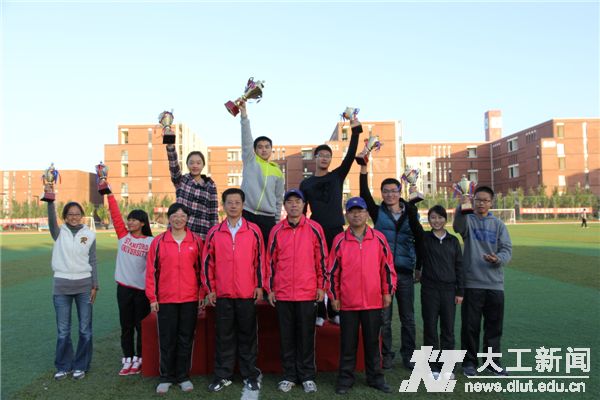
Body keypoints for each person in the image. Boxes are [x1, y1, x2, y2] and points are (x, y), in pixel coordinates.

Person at [359, 162, 424, 370]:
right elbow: (364, 193)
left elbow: (419, 239)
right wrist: (363, 170)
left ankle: (409, 355)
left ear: (400, 192)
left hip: (404, 272)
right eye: (385, 191)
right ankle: (386, 354)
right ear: (382, 194)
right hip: (383, 273)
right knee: (384, 319)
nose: (390, 195)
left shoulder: (411, 211)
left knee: (408, 318)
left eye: (393, 191)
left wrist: (418, 267)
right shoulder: (377, 212)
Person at [328, 197, 396, 395]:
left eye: (360, 211)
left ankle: (375, 378)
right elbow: (332, 272)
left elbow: (387, 268)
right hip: (348, 302)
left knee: (373, 343)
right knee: (348, 344)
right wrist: (334, 296)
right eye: (352, 211)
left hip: (373, 301)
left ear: (367, 214)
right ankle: (345, 379)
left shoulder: (379, 238)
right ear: (346, 215)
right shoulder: (339, 240)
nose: (356, 215)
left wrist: (387, 292)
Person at [300, 118, 362, 326]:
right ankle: (320, 311)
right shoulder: (306, 183)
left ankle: (335, 310)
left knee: (337, 270)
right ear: (315, 158)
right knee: (316, 270)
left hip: (335, 229)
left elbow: (351, 155)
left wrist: (355, 131)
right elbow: (301, 210)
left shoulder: (337, 176)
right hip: (315, 231)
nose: (325, 158)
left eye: (328, 156)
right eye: (321, 155)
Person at [203, 188, 265, 394]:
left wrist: (259, 285)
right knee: (224, 337)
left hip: (247, 294)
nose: (233, 206)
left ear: (243, 205)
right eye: (229, 202)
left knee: (248, 336)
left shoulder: (253, 230)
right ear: (223, 205)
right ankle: (223, 375)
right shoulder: (215, 232)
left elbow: (260, 260)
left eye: (237, 202)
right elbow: (208, 263)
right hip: (223, 294)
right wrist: (210, 288)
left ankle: (250, 375)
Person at [265, 189, 328, 393]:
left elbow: (322, 260)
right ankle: (289, 376)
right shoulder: (276, 231)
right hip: (283, 293)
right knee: (287, 337)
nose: (293, 205)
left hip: (307, 292)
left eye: (297, 201)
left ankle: (307, 376)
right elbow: (269, 262)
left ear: (303, 205)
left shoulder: (315, 229)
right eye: (289, 201)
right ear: (284, 206)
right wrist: (270, 289)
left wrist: (321, 286)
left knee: (306, 336)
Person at [453, 186, 512, 377]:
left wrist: (498, 259)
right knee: (470, 326)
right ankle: (469, 363)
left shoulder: (498, 225)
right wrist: (461, 205)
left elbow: (507, 249)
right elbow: (457, 227)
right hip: (472, 282)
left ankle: (491, 363)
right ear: (473, 200)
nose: (481, 203)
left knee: (494, 327)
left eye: (485, 200)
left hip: (495, 284)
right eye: (478, 200)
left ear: (491, 203)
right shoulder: (468, 220)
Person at [145, 203, 204, 394]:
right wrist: (153, 297)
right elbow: (151, 271)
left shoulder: (196, 241)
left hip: (189, 299)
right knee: (167, 339)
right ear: (169, 219)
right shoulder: (159, 242)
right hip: (166, 299)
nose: (179, 219)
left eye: (182, 216)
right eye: (175, 216)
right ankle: (166, 377)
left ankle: (183, 376)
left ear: (187, 219)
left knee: (186, 339)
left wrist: (201, 294)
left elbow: (202, 271)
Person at [47, 199, 97, 381]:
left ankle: (81, 365)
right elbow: (51, 220)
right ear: (65, 216)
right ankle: (63, 366)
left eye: (77, 214)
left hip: (84, 286)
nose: (74, 217)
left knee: (85, 330)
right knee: (63, 331)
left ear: (81, 215)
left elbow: (92, 260)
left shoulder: (89, 234)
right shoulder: (59, 232)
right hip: (61, 287)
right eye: (70, 214)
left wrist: (95, 285)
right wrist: (50, 201)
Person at [104, 190, 153, 376]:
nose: (130, 222)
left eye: (134, 220)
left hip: (142, 292)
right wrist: (109, 194)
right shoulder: (123, 237)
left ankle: (140, 358)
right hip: (124, 289)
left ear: (143, 223)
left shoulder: (151, 242)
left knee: (141, 326)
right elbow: (115, 215)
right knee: (126, 326)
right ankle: (128, 358)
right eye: (129, 219)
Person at [421, 205, 463, 380]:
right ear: (428, 220)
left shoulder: (453, 241)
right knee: (430, 329)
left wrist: (460, 292)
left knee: (448, 330)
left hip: (449, 291)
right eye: (433, 217)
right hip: (429, 290)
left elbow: (459, 267)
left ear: (445, 219)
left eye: (440, 217)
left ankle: (448, 367)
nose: (436, 221)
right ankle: (433, 367)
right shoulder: (424, 238)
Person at [238, 101, 284, 241]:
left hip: (268, 219)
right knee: (247, 249)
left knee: (266, 251)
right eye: (260, 147)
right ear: (255, 149)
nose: (264, 149)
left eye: (267, 147)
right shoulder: (250, 160)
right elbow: (246, 138)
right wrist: (244, 115)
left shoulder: (277, 171)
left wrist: (276, 221)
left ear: (271, 149)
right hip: (247, 213)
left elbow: (278, 198)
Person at [166, 144, 218, 240]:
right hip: (179, 230)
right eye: (191, 163)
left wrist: (214, 235)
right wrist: (170, 147)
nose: (195, 166)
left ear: (203, 165)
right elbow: (173, 166)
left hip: (201, 232)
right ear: (187, 164)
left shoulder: (210, 185)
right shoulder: (181, 180)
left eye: (198, 163)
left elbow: (213, 213)